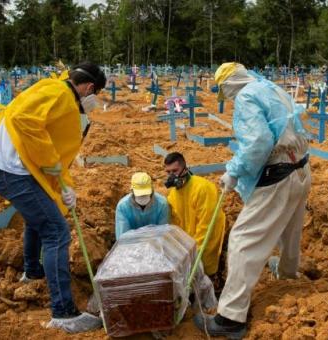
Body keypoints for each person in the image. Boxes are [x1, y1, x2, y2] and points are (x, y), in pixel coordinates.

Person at [0, 62, 106, 333]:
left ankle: (32, 272)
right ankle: (63, 313)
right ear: (89, 87)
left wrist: (64, 189)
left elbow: (53, 147)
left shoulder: (57, 90)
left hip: (15, 169)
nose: (95, 99)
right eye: (96, 93)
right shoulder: (60, 94)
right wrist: (51, 163)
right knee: (57, 233)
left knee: (41, 216)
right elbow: (24, 121)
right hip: (11, 171)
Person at [193, 62, 311, 338]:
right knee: (289, 229)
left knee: (242, 240)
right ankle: (288, 277)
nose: (230, 99)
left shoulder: (246, 97)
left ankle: (231, 316)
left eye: (226, 93)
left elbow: (258, 142)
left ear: (228, 86)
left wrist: (233, 172)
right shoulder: (269, 87)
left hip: (279, 173)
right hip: (301, 167)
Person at [164, 152, 226, 276]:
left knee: (206, 278)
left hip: (205, 247)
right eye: (168, 172)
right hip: (188, 250)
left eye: (175, 171)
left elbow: (207, 225)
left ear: (185, 168)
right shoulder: (173, 195)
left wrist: (194, 253)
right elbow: (175, 226)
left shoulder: (203, 188)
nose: (172, 176)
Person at [115, 172, 170, 239]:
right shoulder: (123, 207)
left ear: (152, 189)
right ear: (132, 191)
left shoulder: (162, 204)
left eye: (145, 194)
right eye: (140, 195)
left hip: (155, 244)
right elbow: (123, 237)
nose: (143, 197)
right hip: (132, 245)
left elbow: (163, 233)